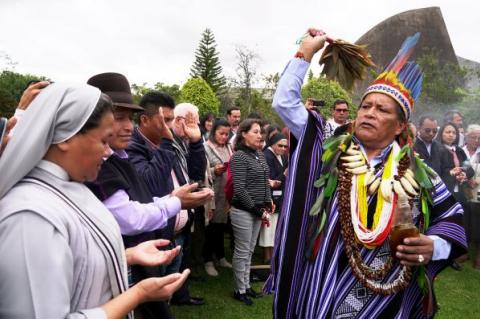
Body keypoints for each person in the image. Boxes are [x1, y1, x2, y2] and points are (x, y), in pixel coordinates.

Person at [266, 28, 467, 318]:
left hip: (380, 295)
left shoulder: (418, 174)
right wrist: (306, 51)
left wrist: (433, 246)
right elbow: (283, 102)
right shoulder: (329, 145)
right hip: (318, 279)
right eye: (366, 106)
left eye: (382, 110)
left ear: (400, 126)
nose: (369, 113)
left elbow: (451, 219)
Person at [0, 83, 190, 318]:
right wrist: (138, 294)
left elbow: (73, 261)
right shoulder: (30, 216)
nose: (107, 152)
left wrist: (128, 256)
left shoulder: (69, 187)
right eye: (103, 140)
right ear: (65, 137)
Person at [86, 73, 212, 316]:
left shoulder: (124, 154)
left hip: (151, 245)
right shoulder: (128, 151)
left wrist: (195, 144)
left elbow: (192, 174)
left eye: (128, 118)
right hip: (131, 259)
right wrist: (175, 201)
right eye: (117, 118)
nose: (126, 127)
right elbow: (135, 209)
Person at [230, 118, 272, 305]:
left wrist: (268, 200)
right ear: (243, 134)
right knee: (242, 251)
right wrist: (256, 209)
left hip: (257, 210)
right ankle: (239, 290)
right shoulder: (239, 156)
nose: (259, 135)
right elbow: (239, 189)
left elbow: (265, 179)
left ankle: (246, 286)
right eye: (255, 131)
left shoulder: (259, 154)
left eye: (260, 132)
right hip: (244, 210)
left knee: (248, 251)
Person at [203, 118, 234, 276]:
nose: (224, 137)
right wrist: (215, 170)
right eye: (221, 133)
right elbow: (203, 170)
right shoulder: (206, 148)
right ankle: (208, 260)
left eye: (227, 134)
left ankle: (220, 256)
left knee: (221, 227)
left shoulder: (229, 147)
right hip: (212, 192)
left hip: (225, 194)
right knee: (211, 228)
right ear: (213, 132)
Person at [261, 133, 289, 264]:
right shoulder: (266, 155)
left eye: (285, 146)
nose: (283, 149)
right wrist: (284, 175)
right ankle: (267, 256)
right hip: (269, 196)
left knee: (275, 227)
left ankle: (274, 254)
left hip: (280, 196)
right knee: (268, 227)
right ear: (272, 143)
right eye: (280, 145)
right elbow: (270, 179)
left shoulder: (283, 156)